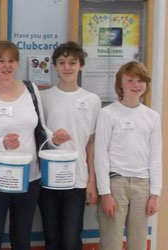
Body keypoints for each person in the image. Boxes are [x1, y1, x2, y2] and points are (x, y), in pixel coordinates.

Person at [0, 41, 70, 250]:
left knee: (22, 239)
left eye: (11, 60)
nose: (7, 66)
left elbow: (40, 127)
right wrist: (0, 144)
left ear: (17, 63)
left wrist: (55, 139)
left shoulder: (30, 90)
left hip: (29, 178)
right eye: (1, 61)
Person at [38, 41, 101, 250]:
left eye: (72, 62)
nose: (67, 67)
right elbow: (39, 138)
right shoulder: (44, 97)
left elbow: (91, 144)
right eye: (62, 62)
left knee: (71, 238)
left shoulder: (92, 100)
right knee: (52, 238)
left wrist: (92, 180)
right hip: (48, 179)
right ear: (55, 66)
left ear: (81, 65)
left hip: (77, 180)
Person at [95, 61, 162, 250]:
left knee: (138, 243)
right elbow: (100, 155)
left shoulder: (152, 117)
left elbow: (155, 157)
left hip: (142, 186)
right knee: (111, 243)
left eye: (140, 81)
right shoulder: (108, 114)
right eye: (130, 80)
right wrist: (105, 193)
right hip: (116, 184)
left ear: (146, 84)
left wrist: (155, 194)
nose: (136, 85)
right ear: (120, 84)